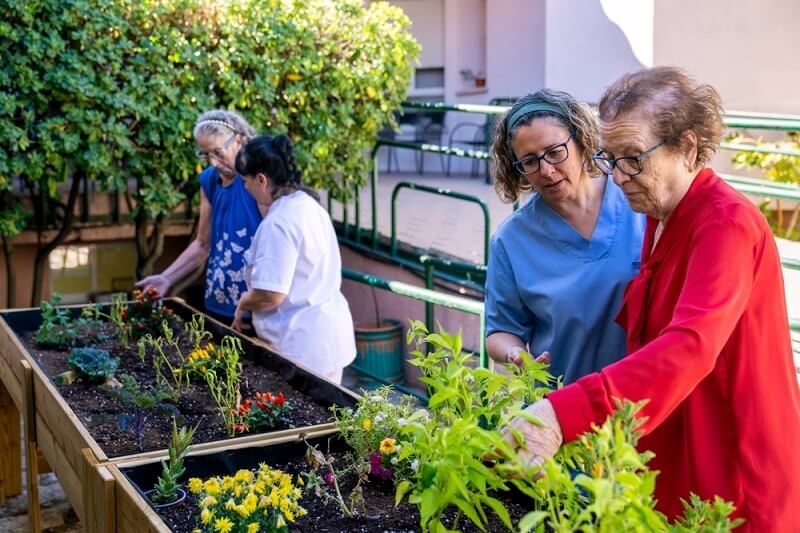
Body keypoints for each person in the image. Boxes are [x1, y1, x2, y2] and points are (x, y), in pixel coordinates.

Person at [501, 67, 800, 531]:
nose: (618, 177)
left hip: (734, 465)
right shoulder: (661, 213)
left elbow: (689, 345)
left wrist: (564, 412)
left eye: (632, 158)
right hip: (682, 453)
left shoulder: (725, 224)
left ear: (688, 147)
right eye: (611, 157)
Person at [486, 89, 645, 384]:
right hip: (564, 406)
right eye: (529, 161)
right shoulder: (511, 241)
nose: (546, 170)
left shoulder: (637, 200)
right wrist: (515, 354)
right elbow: (500, 330)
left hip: (647, 397)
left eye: (555, 152)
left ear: (582, 140)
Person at [230, 134, 356, 385]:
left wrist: (243, 302)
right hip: (323, 337)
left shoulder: (279, 222)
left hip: (301, 346)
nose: (245, 188)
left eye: (245, 181)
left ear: (261, 180)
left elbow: (272, 294)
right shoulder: (308, 205)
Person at [136, 110, 263, 326]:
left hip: (254, 309)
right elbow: (203, 244)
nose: (213, 162)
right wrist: (166, 278)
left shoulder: (258, 180)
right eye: (205, 155)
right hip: (217, 303)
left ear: (239, 141)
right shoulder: (209, 180)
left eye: (218, 152)